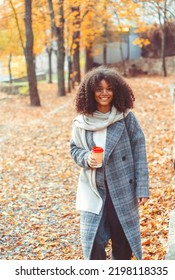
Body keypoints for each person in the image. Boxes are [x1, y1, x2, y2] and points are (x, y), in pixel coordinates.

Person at [70, 66, 149, 260]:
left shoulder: (126, 117)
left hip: (122, 188)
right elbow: (74, 149)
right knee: (94, 241)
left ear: (116, 91)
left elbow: (139, 152)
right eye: (99, 89)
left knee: (122, 241)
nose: (104, 93)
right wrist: (86, 158)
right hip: (93, 187)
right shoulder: (82, 122)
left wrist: (142, 188)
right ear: (90, 92)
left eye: (109, 88)